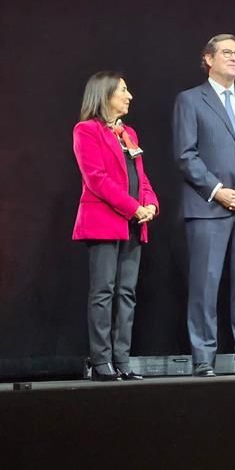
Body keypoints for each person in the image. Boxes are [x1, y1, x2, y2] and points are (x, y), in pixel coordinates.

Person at [173, 33, 235, 377]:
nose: (234, 57)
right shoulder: (190, 100)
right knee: (206, 283)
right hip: (208, 206)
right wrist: (218, 190)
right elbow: (186, 155)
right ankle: (203, 357)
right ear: (208, 59)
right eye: (227, 52)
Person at [73, 71, 159, 381]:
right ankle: (100, 361)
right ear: (105, 95)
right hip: (105, 222)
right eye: (123, 90)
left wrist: (149, 204)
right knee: (103, 291)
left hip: (133, 224)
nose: (129, 95)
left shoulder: (128, 133)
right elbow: (96, 179)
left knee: (126, 292)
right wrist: (133, 207)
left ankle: (122, 359)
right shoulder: (86, 131)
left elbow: (141, 176)